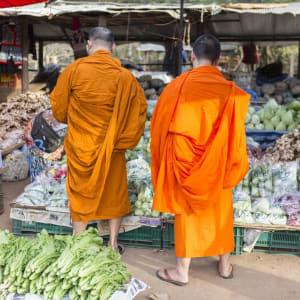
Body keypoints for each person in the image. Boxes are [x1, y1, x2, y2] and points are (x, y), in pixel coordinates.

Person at [151, 34, 250, 285]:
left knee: (187, 213)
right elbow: (236, 134)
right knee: (220, 210)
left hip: (185, 162)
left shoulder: (176, 87)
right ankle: (225, 265)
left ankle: (182, 271)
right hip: (218, 163)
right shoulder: (230, 92)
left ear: (192, 56)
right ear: (218, 60)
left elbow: (158, 127)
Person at [50, 27, 147, 253]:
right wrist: (120, 138)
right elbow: (138, 112)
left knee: (80, 193)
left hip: (81, 145)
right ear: (113, 48)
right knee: (114, 194)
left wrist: (76, 121)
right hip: (112, 147)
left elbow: (58, 109)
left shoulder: (73, 71)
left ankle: (79, 245)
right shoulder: (125, 77)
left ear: (89, 44)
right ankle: (113, 244)